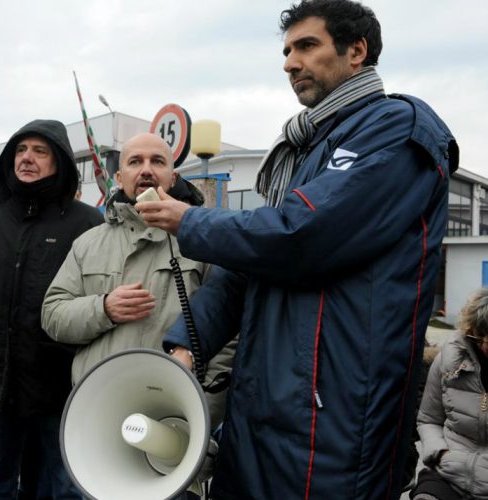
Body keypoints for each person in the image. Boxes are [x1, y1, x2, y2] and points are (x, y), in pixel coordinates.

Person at [137, 0, 459, 497]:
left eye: (307, 46)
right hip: (263, 403)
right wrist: (186, 344)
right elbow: (248, 268)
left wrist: (191, 220)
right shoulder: (304, 152)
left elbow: (302, 235)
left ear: (357, 51)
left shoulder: (397, 127)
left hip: (334, 417)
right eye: (287, 50)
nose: (290, 62)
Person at [41, 132, 232, 426]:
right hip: (96, 413)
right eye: (135, 162)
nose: (146, 169)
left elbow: (228, 337)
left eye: (157, 161)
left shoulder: (204, 242)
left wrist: (201, 413)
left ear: (172, 176)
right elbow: (52, 315)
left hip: (173, 412)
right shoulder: (87, 243)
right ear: (120, 176)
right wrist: (103, 309)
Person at [0, 119, 103, 499]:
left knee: (67, 484)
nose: (27, 158)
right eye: (21, 150)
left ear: (59, 162)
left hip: (62, 384)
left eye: (40, 151)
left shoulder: (88, 223)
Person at [413, 289, 488, 500]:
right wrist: (440, 453)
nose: (483, 345)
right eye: (480, 335)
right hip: (450, 473)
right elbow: (428, 419)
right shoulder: (450, 358)